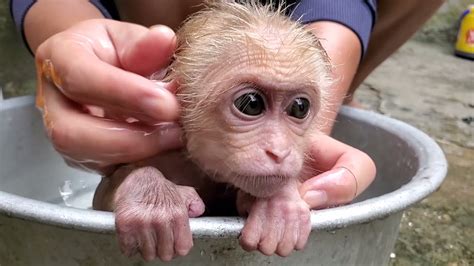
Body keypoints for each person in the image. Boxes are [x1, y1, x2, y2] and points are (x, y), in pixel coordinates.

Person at [10, 0, 444, 209]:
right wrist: (73, 42)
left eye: (299, 110)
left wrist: (329, 58)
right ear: (175, 94)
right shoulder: (167, 107)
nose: (280, 148)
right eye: (251, 105)